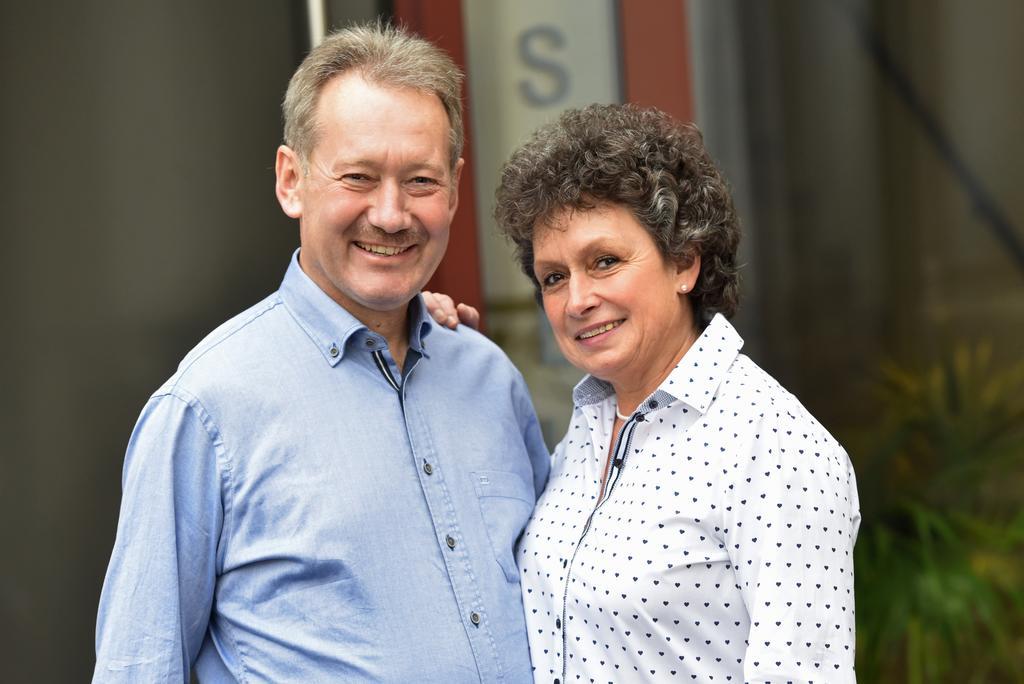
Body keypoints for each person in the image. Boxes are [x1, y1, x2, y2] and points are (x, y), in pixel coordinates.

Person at [93, 23, 549, 683]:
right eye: (358, 177)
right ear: (291, 180)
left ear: (452, 188)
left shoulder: (490, 380)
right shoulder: (207, 409)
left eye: (419, 181)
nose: (391, 215)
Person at [433, 103, 861, 682]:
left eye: (604, 261)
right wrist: (417, 337)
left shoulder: (777, 448)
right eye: (554, 276)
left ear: (684, 261)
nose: (577, 299)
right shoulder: (588, 427)